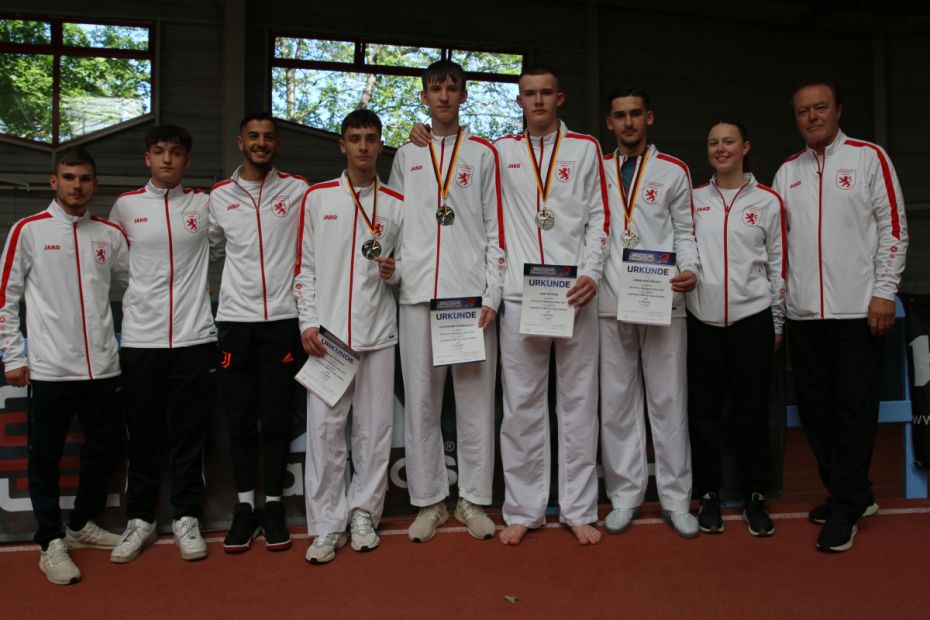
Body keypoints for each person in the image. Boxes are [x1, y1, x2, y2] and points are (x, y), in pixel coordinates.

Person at [773, 81, 907, 552]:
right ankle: (855, 492)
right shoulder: (786, 172)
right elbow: (776, 248)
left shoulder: (870, 158)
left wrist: (884, 292)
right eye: (803, 111)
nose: (812, 117)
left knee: (853, 410)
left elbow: (893, 227)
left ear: (838, 110)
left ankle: (846, 506)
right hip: (804, 314)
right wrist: (779, 310)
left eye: (820, 108)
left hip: (857, 311)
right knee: (814, 412)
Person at [0, 147, 128, 584]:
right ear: (54, 182)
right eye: (69, 177)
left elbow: (133, 286)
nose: (77, 185)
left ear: (95, 184)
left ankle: (81, 526)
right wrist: (14, 356)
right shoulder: (29, 230)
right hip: (50, 370)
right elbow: (5, 298)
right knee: (46, 458)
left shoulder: (109, 235)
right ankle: (50, 540)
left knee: (105, 449)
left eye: (85, 178)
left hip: (104, 369)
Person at [389, 59, 503, 543]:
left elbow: (496, 228)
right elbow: (390, 221)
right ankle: (430, 501)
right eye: (435, 89)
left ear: (463, 96)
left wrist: (493, 293)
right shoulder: (405, 154)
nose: (443, 97)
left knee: (476, 404)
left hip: (469, 298)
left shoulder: (482, 154)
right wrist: (393, 269)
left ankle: (474, 499)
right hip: (417, 295)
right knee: (421, 404)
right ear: (424, 96)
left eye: (452, 88)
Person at [494, 66, 607, 546]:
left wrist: (592, 273)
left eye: (545, 93)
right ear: (518, 101)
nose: (537, 101)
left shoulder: (585, 149)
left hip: (573, 295)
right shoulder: (499, 151)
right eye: (528, 94)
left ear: (560, 98)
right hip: (521, 296)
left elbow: (600, 217)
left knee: (579, 404)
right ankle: (523, 509)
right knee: (520, 406)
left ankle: (579, 508)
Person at [296, 109, 403, 564]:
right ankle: (324, 525)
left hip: (379, 334)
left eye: (371, 138)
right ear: (342, 145)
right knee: (324, 433)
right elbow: (306, 269)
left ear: (381, 145)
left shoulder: (398, 203)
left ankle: (363, 514)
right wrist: (307, 322)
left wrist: (396, 273)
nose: (363, 146)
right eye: (355, 138)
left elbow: (411, 266)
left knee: (374, 432)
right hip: (330, 337)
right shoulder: (318, 198)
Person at [108, 125, 215, 563]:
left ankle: (187, 516)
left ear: (187, 160)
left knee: (190, 434)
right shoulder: (126, 207)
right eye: (159, 152)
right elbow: (115, 267)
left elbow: (228, 247)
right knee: (145, 435)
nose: (167, 159)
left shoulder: (205, 205)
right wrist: (145, 298)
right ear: (147, 159)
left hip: (193, 338)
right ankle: (141, 520)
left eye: (175, 152)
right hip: (141, 340)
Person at [597, 88, 701, 538]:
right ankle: (625, 496)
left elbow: (686, 232)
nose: (628, 123)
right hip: (610, 300)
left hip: (662, 298)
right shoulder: (595, 169)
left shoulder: (673, 169)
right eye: (620, 115)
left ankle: (677, 500)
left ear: (650, 118)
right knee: (617, 404)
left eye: (636, 114)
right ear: (609, 122)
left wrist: (691, 270)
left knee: (668, 400)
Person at [209, 113, 309, 553]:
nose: (261, 143)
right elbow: (212, 250)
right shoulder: (217, 197)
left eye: (268, 137)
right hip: (235, 322)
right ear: (240, 142)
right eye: (254, 136)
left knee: (277, 417)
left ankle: (272, 506)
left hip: (285, 321)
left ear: (276, 145)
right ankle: (244, 507)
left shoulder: (298, 190)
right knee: (241, 419)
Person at [686, 121, 785, 537]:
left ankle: (754, 496)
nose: (720, 148)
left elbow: (779, 264)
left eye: (728, 141)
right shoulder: (691, 200)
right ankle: (707, 494)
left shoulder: (768, 202)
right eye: (713, 142)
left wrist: (777, 320)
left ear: (745, 147)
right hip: (703, 320)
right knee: (704, 412)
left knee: (751, 411)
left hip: (752, 319)